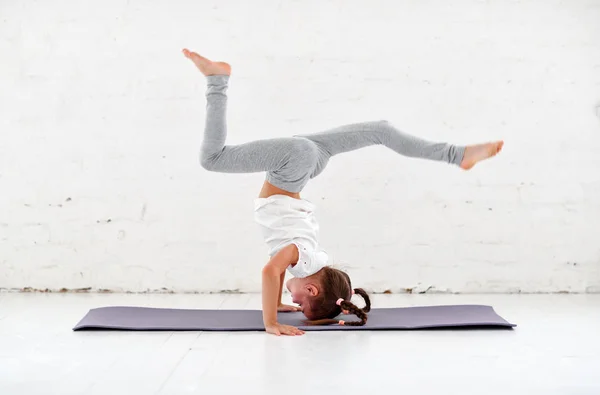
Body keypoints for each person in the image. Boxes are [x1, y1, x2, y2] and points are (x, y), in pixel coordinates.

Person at [182, 48, 504, 336]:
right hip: (293, 162)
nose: (294, 303)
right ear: (311, 288)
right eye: (301, 304)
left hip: (308, 159)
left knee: (380, 129)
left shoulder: (312, 259)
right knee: (213, 159)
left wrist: (281, 306)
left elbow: (277, 268)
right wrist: (271, 321)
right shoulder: (299, 257)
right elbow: (270, 270)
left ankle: (457, 154)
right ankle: (217, 80)